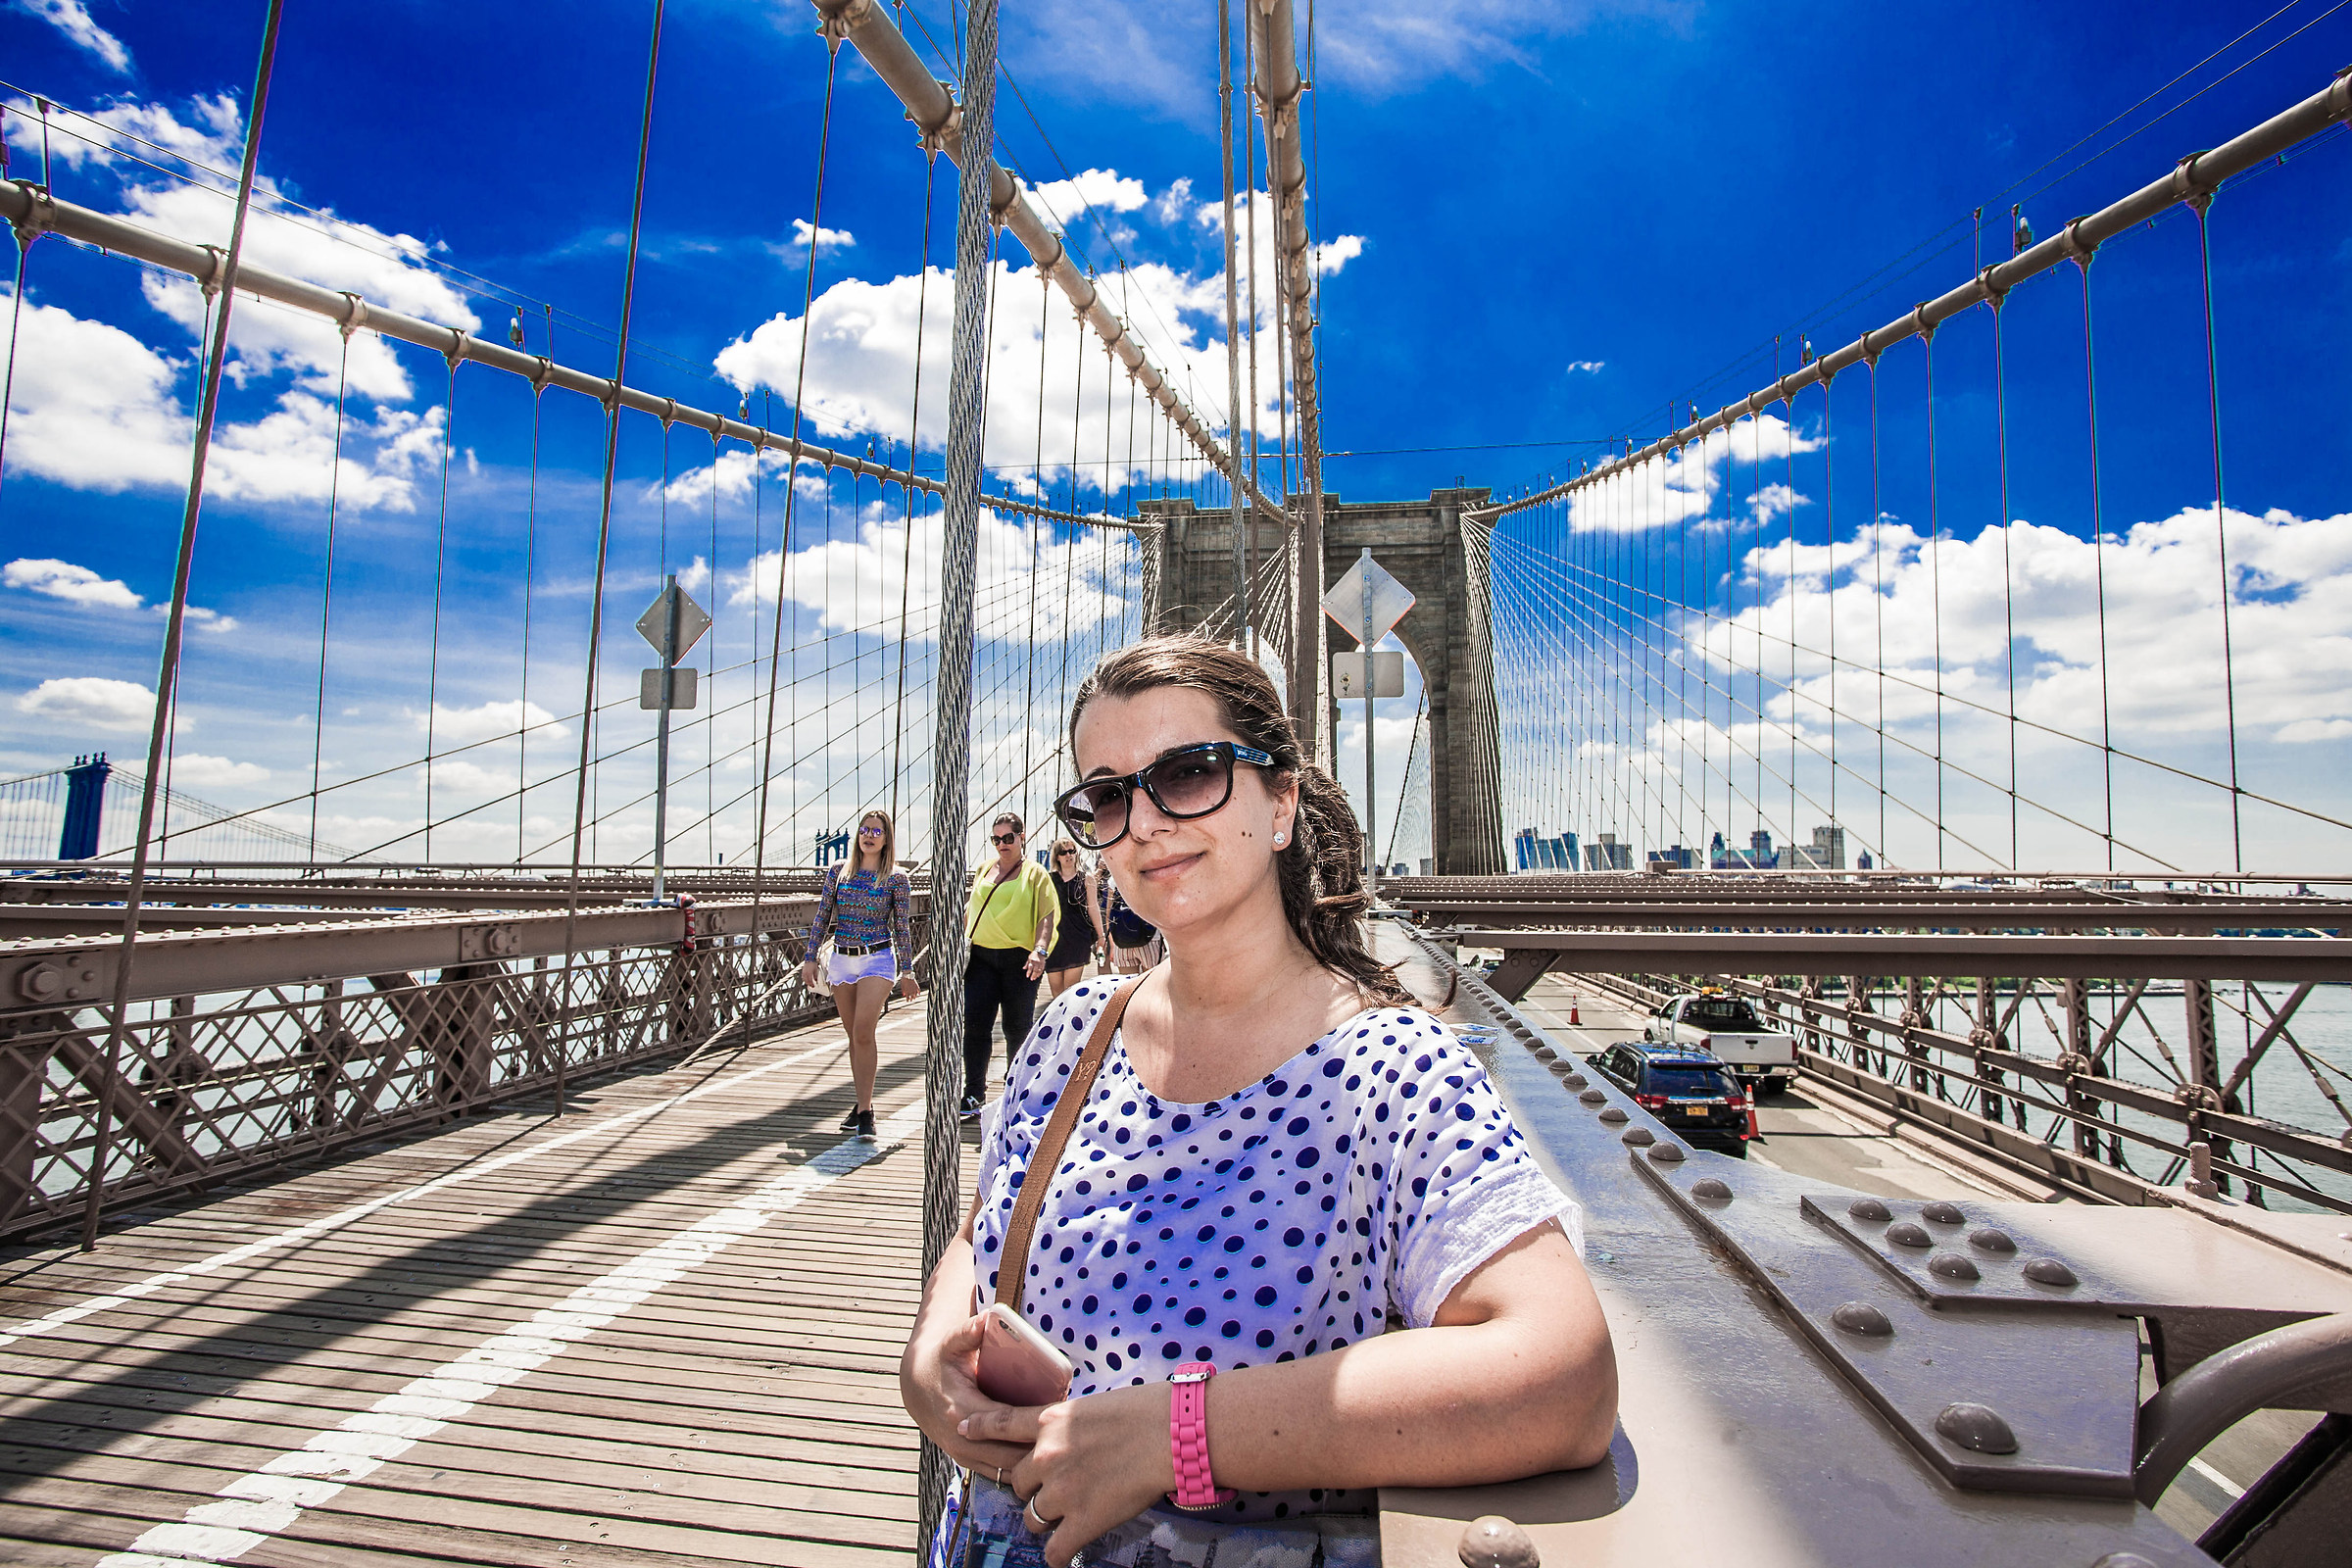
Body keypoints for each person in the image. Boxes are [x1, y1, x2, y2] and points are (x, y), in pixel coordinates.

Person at [901, 635, 1618, 1567]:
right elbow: (982, 1233)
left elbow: (1563, 1380)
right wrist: (928, 1363)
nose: (1145, 824)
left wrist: (1174, 1434)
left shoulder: (1392, 1067)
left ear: (1281, 802)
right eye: (1106, 797)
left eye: (1189, 773)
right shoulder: (1074, 1033)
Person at [801, 809, 917, 1142]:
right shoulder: (838, 871)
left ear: (886, 839)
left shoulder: (896, 878)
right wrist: (809, 958)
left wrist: (907, 970)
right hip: (841, 960)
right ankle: (861, 1102)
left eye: (876, 832)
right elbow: (822, 917)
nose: (869, 835)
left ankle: (866, 1112)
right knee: (853, 1036)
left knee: (864, 1031)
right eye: (864, 830)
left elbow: (902, 927)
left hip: (877, 960)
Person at [960, 810, 1058, 1120]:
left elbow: (1047, 915)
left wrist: (1039, 951)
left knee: (1017, 1027)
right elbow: (971, 911)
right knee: (975, 1026)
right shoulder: (983, 870)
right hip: (981, 959)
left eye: (1008, 838)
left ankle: (1014, 1091)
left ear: (1021, 836)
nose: (1002, 844)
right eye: (996, 839)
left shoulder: (1035, 873)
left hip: (1019, 959)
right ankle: (973, 1092)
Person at [1043, 838, 1102, 998]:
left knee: (1071, 990)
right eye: (1063, 852)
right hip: (1054, 940)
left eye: (1072, 851)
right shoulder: (1048, 880)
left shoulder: (1087, 879)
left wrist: (1101, 936)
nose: (1068, 855)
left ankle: (1069, 1022)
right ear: (1057, 857)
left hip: (1078, 938)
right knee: (1056, 991)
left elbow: (1093, 908)